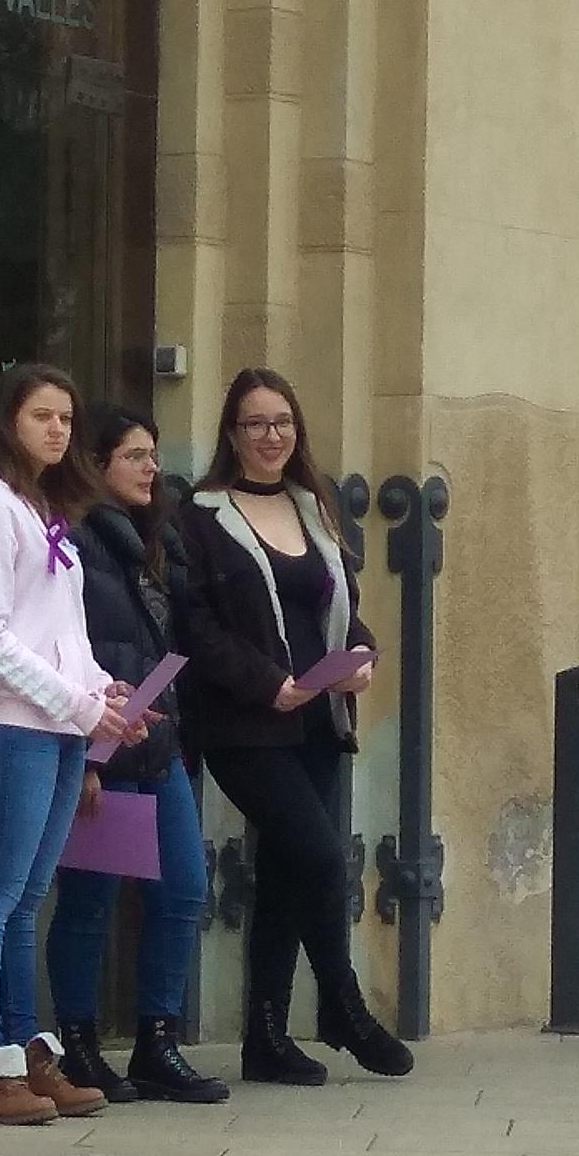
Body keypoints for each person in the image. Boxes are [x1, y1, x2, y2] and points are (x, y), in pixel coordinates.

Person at [179, 366, 414, 1085]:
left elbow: (341, 609)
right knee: (319, 856)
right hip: (245, 725)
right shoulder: (203, 515)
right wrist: (267, 684)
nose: (271, 435)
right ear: (232, 434)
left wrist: (361, 657)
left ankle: (266, 1040)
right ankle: (343, 1007)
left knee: (285, 874)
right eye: (255, 423)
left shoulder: (314, 507)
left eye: (282, 422)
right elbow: (196, 628)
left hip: (318, 720)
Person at [0, 362, 146, 1125]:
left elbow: (62, 634)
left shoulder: (43, 508)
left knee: (27, 901)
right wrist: (79, 705)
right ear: (7, 422)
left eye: (66, 419)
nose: (57, 430)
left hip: (57, 727)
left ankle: (26, 1054)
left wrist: (102, 693)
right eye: (41, 416)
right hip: (10, 725)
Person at [45, 404, 227, 1106]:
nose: (152, 468)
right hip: (101, 742)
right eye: (135, 456)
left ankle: (157, 1041)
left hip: (155, 740)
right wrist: (88, 756)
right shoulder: (75, 539)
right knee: (89, 899)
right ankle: (79, 1044)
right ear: (96, 465)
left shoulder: (155, 541)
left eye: (153, 455)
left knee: (183, 888)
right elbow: (71, 652)